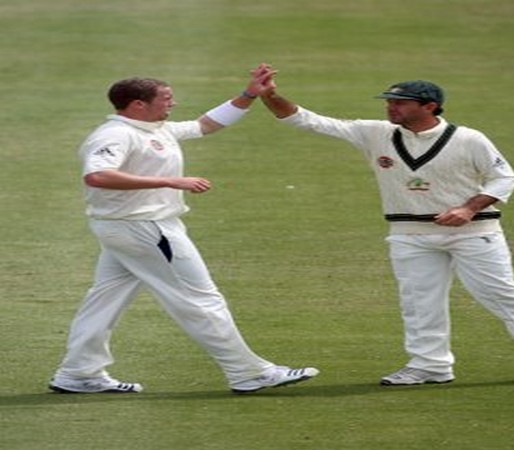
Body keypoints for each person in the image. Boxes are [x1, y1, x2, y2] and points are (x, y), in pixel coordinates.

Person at [258, 70, 514, 385]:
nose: (391, 108)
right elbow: (309, 120)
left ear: (429, 106)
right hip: (409, 234)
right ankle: (430, 365)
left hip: (474, 233)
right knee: (418, 302)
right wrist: (271, 97)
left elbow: (504, 176)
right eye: (389, 102)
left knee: (503, 295)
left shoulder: (468, 138)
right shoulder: (376, 133)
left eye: (401, 103)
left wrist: (468, 208)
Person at [49, 64, 319, 394]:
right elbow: (97, 176)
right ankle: (249, 373)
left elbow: (206, 124)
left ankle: (78, 373)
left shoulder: (156, 129)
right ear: (138, 104)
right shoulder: (116, 134)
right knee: (201, 300)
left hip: (127, 230)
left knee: (104, 301)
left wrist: (249, 95)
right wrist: (169, 180)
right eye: (165, 98)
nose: (172, 104)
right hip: (145, 229)